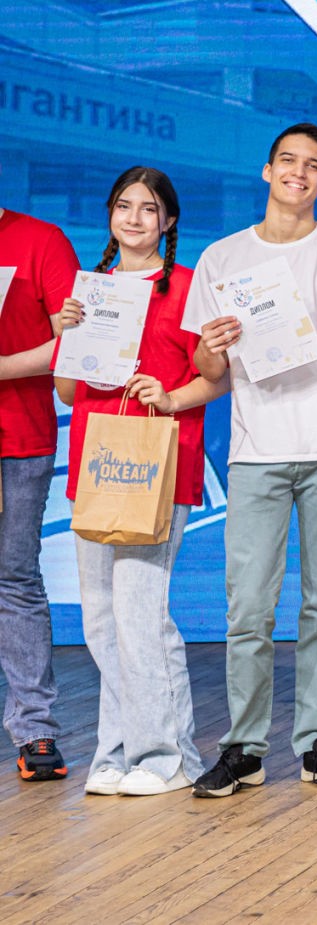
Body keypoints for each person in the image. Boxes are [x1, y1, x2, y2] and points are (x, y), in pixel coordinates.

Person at [182, 122, 317, 798]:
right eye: (287, 160)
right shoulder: (222, 258)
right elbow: (210, 369)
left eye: (313, 165)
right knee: (248, 609)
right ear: (267, 171)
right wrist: (211, 344)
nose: (299, 172)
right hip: (256, 453)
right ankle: (243, 748)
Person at [54, 167, 225, 795]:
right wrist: (65, 334)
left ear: (168, 220)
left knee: (140, 613)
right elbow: (68, 391)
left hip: (159, 460)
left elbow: (217, 378)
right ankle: (118, 750)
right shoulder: (91, 290)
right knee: (101, 618)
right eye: (123, 206)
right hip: (98, 459)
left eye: (148, 209)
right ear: (109, 214)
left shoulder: (187, 287)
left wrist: (170, 395)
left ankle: (168, 757)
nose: (133, 218)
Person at [0, 189, 79, 781]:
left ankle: (34, 729)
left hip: (18, 438)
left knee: (14, 577)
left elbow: (74, 342)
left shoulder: (41, 240)